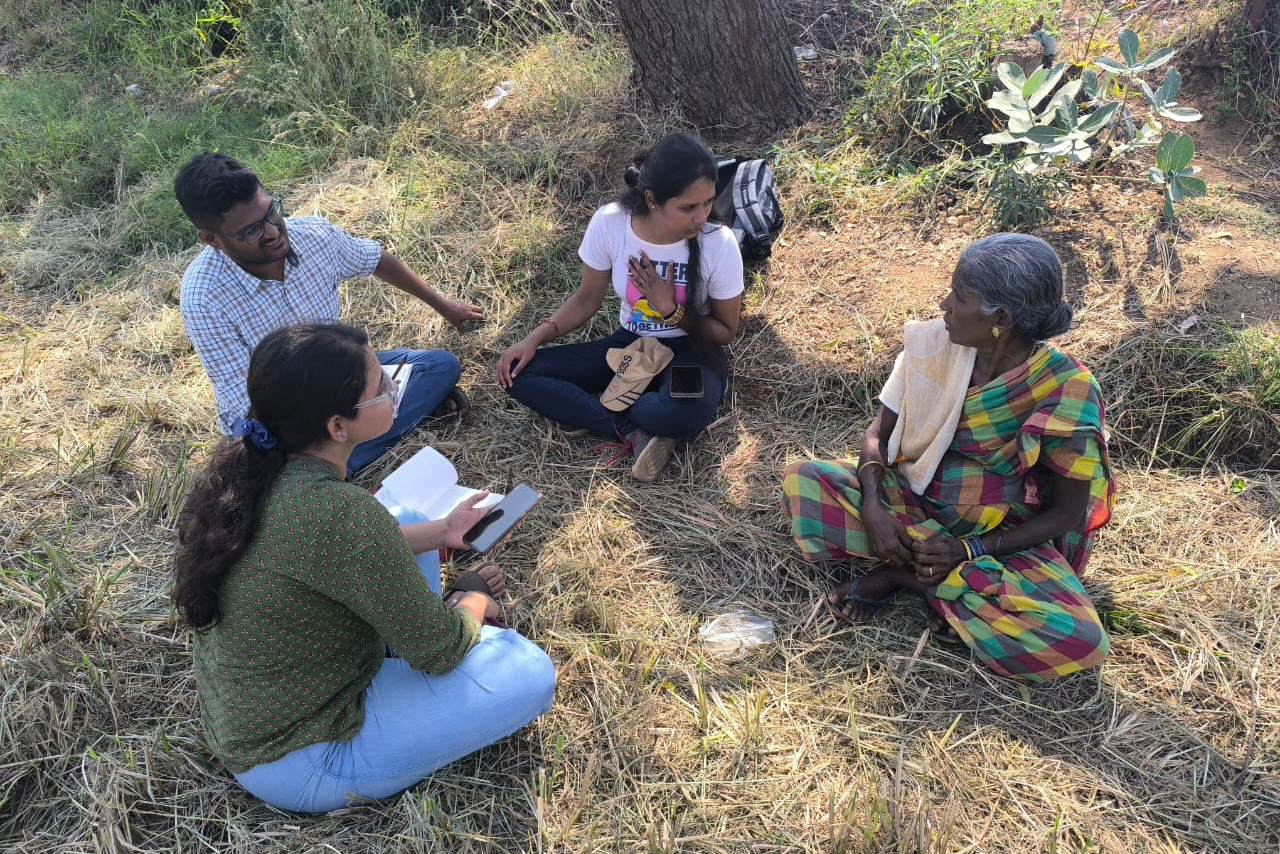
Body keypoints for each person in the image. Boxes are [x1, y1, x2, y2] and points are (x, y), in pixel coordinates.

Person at [172, 322, 555, 813]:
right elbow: (442, 650)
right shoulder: (339, 513)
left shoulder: (258, 474)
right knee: (528, 672)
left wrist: (442, 532)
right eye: (381, 384)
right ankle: (447, 609)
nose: (395, 387)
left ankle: (419, 620)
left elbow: (334, 549)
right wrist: (473, 601)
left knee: (407, 518)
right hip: (307, 756)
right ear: (338, 427)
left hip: (272, 710)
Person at [782, 234, 1114, 682]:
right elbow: (878, 434)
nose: (944, 304)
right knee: (804, 480)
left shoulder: (1065, 387)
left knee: (1079, 639)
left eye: (959, 296)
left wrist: (966, 549)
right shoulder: (933, 346)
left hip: (996, 538)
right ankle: (945, 587)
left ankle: (905, 578)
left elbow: (1067, 514)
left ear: (1000, 319)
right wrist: (874, 508)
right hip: (909, 506)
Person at [175, 152, 484, 475]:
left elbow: (376, 260)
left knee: (438, 367)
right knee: (270, 458)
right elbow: (245, 404)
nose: (272, 232)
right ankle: (337, 457)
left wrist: (444, 305)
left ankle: (337, 457)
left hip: (333, 378)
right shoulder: (204, 297)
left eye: (271, 212)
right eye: (250, 231)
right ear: (211, 239)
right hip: (280, 414)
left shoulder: (314, 236)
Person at [495, 132, 744, 482]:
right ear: (652, 200)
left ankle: (596, 407)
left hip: (691, 352)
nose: (702, 216)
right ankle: (630, 430)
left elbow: (726, 331)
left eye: (707, 202)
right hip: (630, 348)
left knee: (677, 413)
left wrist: (670, 309)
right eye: (688, 207)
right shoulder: (611, 223)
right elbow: (586, 300)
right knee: (518, 374)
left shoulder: (719, 242)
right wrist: (532, 340)